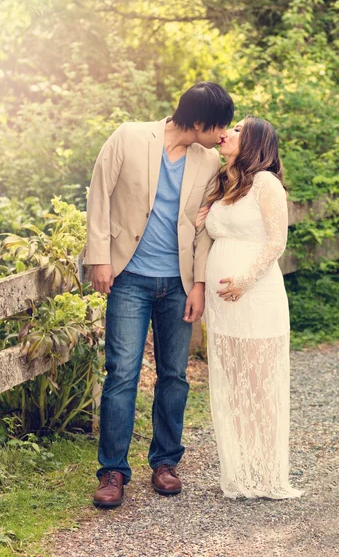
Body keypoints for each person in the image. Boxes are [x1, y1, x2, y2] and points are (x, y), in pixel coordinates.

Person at [84, 82, 234, 508]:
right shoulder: (129, 136)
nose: (222, 134)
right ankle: (112, 471)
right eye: (218, 125)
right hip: (128, 277)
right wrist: (99, 257)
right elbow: (99, 195)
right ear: (199, 122)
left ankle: (165, 463)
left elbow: (205, 228)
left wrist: (200, 285)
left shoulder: (208, 162)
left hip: (178, 284)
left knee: (174, 377)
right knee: (122, 374)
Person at [196, 116, 303, 499]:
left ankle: (268, 474)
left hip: (256, 296)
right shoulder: (226, 182)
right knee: (232, 382)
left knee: (259, 384)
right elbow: (212, 232)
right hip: (223, 306)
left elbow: (276, 243)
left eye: (239, 129)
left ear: (256, 141)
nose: (228, 132)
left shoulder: (267, 184)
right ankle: (241, 473)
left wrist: (243, 280)